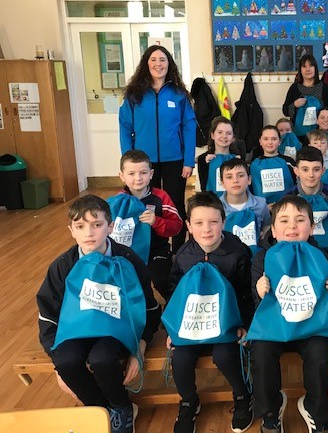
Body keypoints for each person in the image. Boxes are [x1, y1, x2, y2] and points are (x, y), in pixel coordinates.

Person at [37, 195, 161, 433]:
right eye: (80, 227)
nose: (89, 233)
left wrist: (140, 346)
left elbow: (147, 309)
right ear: (71, 230)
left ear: (111, 226)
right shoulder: (62, 265)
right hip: (76, 330)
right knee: (67, 361)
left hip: (116, 331)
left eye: (97, 225)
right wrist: (57, 363)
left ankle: (122, 406)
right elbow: (48, 315)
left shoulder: (128, 260)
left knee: (102, 359)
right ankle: (101, 410)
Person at [250, 196, 328, 433]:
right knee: (259, 354)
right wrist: (260, 292)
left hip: (310, 326)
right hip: (274, 327)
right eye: (284, 220)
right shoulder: (262, 258)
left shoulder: (323, 257)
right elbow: (257, 305)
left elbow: (325, 302)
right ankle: (270, 410)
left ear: (311, 228)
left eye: (300, 220)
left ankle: (316, 410)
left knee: (321, 355)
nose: (292, 226)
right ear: (274, 230)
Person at [166, 192, 253, 433]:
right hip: (193, 324)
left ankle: (243, 395)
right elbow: (175, 294)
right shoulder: (183, 256)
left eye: (214, 222)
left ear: (224, 222)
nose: (207, 229)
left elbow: (247, 293)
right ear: (188, 226)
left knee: (225, 356)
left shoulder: (238, 252)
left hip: (226, 324)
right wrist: (173, 329)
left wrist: (245, 324)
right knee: (181, 359)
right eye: (199, 223)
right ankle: (188, 401)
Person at [119, 45, 196, 252]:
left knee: (175, 206)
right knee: (145, 205)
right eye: (153, 59)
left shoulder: (179, 94)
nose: (158, 64)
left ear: (169, 64)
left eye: (162, 60)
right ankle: (150, 247)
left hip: (175, 161)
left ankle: (179, 250)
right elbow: (125, 127)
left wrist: (189, 161)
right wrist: (128, 160)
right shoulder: (134, 94)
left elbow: (189, 127)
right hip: (143, 163)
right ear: (146, 64)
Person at [117, 149, 183, 301]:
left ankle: (174, 307)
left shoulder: (161, 197)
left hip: (157, 251)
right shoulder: (117, 202)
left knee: (162, 279)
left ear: (151, 174)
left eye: (143, 173)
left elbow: (177, 226)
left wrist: (156, 222)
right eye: (131, 173)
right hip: (127, 254)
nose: (138, 178)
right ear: (122, 176)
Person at [219, 157, 272, 243]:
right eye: (229, 177)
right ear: (222, 183)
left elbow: (267, 225)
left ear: (249, 180)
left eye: (241, 175)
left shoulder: (261, 204)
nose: (235, 180)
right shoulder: (216, 207)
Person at [282, 55, 328, 138]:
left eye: (311, 66)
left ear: (315, 68)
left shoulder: (324, 88)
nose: (308, 69)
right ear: (300, 70)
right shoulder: (294, 88)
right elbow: (285, 111)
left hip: (320, 136)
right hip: (298, 136)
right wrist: (294, 105)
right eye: (304, 66)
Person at [250, 126, 296, 205]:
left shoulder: (289, 162)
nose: (270, 142)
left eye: (274, 139)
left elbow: (297, 185)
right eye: (266, 139)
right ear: (260, 141)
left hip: (288, 206)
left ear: (280, 141)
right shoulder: (254, 165)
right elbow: (251, 190)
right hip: (263, 209)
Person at [197, 117, 240, 195]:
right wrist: (207, 165)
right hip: (213, 202)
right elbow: (204, 187)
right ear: (213, 135)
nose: (224, 136)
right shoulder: (203, 159)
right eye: (220, 132)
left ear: (233, 137)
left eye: (229, 133)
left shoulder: (238, 158)